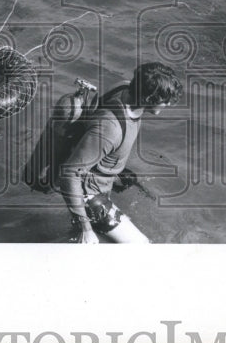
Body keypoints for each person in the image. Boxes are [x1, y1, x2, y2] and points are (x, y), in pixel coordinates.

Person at [58, 62, 183, 244]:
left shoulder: (123, 86)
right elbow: (69, 173)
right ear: (148, 99)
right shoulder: (110, 129)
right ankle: (85, 230)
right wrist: (86, 227)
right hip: (90, 195)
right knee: (141, 246)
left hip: (98, 171)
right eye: (165, 99)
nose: (169, 103)